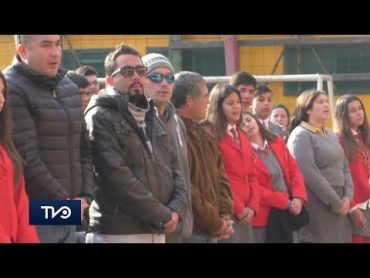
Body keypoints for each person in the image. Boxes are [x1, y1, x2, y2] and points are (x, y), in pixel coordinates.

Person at [84, 43, 188, 243]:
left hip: (158, 231)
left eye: (140, 70)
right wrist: (163, 215)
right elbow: (117, 177)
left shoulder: (152, 115)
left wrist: (177, 209)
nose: (136, 76)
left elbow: (177, 170)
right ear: (109, 80)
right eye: (127, 71)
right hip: (119, 232)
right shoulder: (100, 116)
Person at [3, 35, 95, 243]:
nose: (55, 52)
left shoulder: (68, 86)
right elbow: (27, 158)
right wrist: (67, 204)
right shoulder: (10, 88)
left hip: (74, 211)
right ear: (23, 51)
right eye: (46, 45)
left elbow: (84, 147)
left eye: (58, 44)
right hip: (36, 213)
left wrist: (86, 196)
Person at [172, 71, 234, 243]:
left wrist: (225, 215)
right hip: (191, 232)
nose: (209, 102)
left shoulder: (204, 135)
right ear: (190, 100)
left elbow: (222, 179)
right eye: (205, 96)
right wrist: (216, 223)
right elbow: (186, 188)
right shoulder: (175, 134)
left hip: (213, 230)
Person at [287, 89, 353, 243]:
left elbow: (344, 166)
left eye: (326, 101)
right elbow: (309, 174)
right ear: (308, 108)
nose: (326, 105)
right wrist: (335, 202)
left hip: (341, 204)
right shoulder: (300, 135)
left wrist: (348, 197)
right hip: (319, 203)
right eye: (320, 102)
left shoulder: (330, 133)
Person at [142, 53, 193, 243]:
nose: (164, 83)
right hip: (152, 225)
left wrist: (180, 211)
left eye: (170, 78)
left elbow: (183, 174)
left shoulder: (177, 122)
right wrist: (164, 214)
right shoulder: (136, 122)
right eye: (155, 77)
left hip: (179, 222)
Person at [241, 111, 307, 243]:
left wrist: (298, 197)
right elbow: (253, 187)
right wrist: (283, 201)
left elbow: (294, 171)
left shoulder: (276, 141)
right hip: (263, 218)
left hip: (288, 212)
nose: (247, 125)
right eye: (242, 124)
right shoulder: (242, 152)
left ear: (256, 119)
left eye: (249, 120)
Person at [206, 83, 259, 243]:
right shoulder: (211, 135)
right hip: (226, 212)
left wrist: (253, 206)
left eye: (238, 102)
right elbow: (214, 178)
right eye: (230, 103)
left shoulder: (242, 135)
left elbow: (252, 174)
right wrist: (239, 208)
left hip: (246, 214)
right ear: (218, 106)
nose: (236, 107)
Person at [0, 71, 39, 243]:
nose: (1, 99)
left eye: (3, 93)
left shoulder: (6, 148)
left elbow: (20, 202)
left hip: (61, 211)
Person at [334, 94, 370, 243]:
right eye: (353, 110)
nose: (359, 113)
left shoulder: (365, 137)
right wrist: (352, 207)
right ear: (343, 115)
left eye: (360, 108)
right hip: (355, 205)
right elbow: (339, 177)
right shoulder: (338, 140)